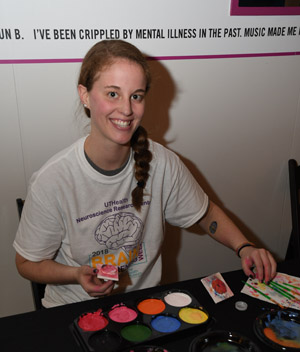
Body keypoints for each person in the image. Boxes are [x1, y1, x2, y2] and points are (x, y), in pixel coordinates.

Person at [13, 40, 277, 308]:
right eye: (113, 94)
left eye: (136, 96)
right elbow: (25, 263)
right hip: (73, 311)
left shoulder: (161, 162)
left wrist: (245, 247)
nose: (127, 109)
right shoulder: (53, 179)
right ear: (85, 95)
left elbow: (206, 214)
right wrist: (75, 274)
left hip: (146, 306)